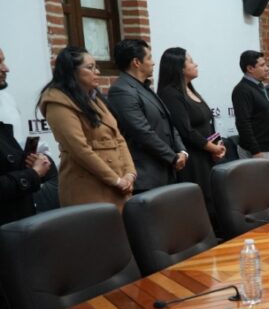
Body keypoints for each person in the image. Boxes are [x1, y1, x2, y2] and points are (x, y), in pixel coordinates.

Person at [39, 46, 135, 209]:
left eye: (96, 66)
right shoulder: (57, 101)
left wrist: (130, 174)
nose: (97, 72)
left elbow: (118, 138)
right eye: (90, 67)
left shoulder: (95, 97)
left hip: (119, 184)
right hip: (88, 186)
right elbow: (79, 149)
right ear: (72, 71)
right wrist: (116, 180)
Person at [107, 38, 186, 192]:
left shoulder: (144, 87)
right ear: (136, 62)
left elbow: (168, 122)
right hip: (147, 174)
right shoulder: (121, 90)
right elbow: (141, 131)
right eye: (149, 58)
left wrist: (181, 151)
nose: (153, 63)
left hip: (166, 169)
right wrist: (172, 157)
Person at [157, 47, 225, 217]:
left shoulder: (190, 89)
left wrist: (218, 145)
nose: (196, 64)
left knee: (215, 203)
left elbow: (207, 123)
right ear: (179, 67)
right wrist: (212, 148)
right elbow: (186, 131)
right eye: (191, 61)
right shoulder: (170, 93)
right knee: (200, 207)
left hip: (208, 155)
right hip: (193, 159)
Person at [0, 48, 52, 224]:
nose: (6, 68)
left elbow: (10, 155)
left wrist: (31, 160)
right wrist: (33, 174)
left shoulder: (7, 100)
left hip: (20, 213)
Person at [232, 50, 269, 158]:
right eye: (262, 65)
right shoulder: (242, 90)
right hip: (257, 151)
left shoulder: (260, 87)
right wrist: (255, 151)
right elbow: (243, 123)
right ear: (250, 68)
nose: (267, 68)